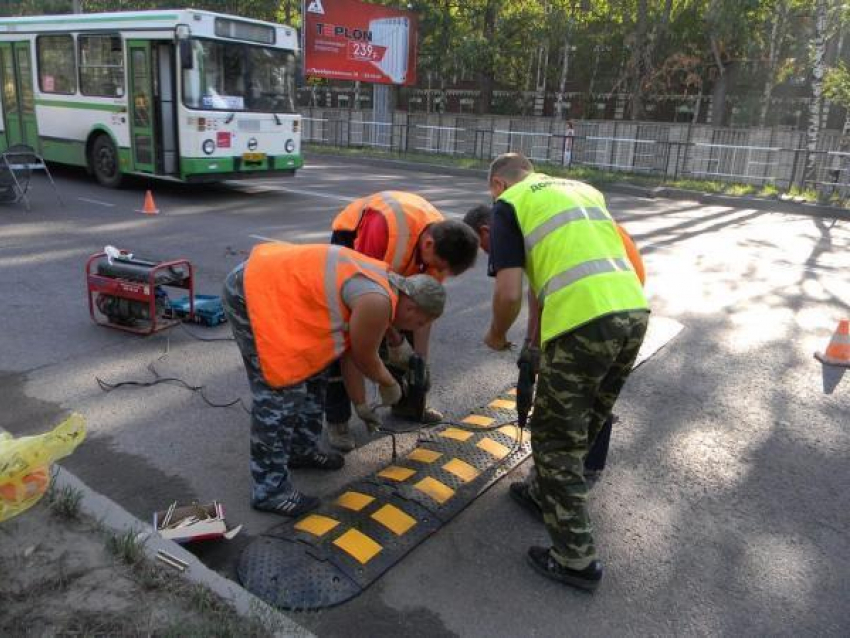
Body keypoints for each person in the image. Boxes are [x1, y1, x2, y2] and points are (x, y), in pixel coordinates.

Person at [467, 153, 649, 591]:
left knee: (554, 440)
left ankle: (575, 559)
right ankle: (540, 492)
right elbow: (548, 280)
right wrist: (534, 342)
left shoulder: (508, 205)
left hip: (584, 324)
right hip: (633, 312)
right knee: (586, 421)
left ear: (496, 184)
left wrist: (495, 334)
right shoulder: (582, 189)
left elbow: (509, 291)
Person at [223, 242, 446, 518]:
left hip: (278, 291)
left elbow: (348, 352)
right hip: (253, 291)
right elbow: (365, 357)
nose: (419, 329)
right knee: (281, 391)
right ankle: (269, 490)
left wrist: (361, 404)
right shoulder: (378, 301)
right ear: (412, 308)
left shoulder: (388, 287)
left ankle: (300, 449)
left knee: (316, 371)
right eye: (422, 323)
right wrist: (389, 384)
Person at [463, 207, 647, 481]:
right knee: (594, 386)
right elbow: (539, 291)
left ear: (486, 231)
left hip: (592, 305)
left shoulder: (517, 230)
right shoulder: (546, 224)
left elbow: (514, 295)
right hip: (630, 297)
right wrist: (531, 346)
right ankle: (589, 464)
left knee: (567, 398)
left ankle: (551, 484)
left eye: (484, 248)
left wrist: (504, 337)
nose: (490, 256)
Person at [325, 191, 479, 451]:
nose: (439, 274)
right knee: (348, 336)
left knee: (408, 316)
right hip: (353, 241)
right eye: (440, 268)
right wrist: (394, 340)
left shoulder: (443, 247)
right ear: (428, 246)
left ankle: (408, 405)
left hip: (399, 252)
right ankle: (338, 419)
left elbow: (422, 315)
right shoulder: (383, 229)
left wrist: (418, 360)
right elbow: (366, 300)